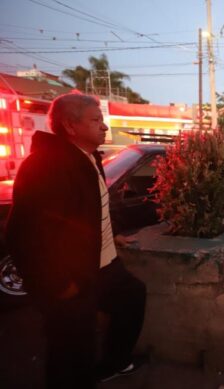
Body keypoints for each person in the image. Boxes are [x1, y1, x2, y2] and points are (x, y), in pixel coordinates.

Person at [6, 93, 146, 388]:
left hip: (104, 265)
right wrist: (59, 285)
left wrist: (111, 235)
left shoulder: (88, 156)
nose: (104, 126)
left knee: (132, 296)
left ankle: (115, 362)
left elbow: (94, 207)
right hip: (73, 278)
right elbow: (24, 236)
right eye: (95, 120)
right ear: (70, 126)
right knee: (72, 352)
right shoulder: (46, 166)